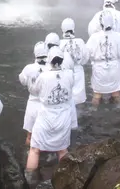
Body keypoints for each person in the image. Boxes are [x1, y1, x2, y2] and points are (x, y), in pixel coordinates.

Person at [25, 46, 75, 179]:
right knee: (62, 150)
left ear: (49, 60)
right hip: (63, 117)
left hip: (46, 117)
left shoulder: (44, 76)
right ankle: (66, 179)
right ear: (62, 60)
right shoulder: (69, 74)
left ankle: (30, 180)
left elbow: (34, 91)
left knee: (35, 150)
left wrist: (31, 79)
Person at [86, 10, 120, 106]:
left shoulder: (94, 37)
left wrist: (95, 59)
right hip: (114, 67)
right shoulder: (117, 35)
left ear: (100, 22)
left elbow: (87, 52)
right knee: (116, 93)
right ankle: (118, 109)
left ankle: (94, 111)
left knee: (97, 94)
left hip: (99, 68)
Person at [19, 42, 48, 145]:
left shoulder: (29, 68)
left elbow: (22, 81)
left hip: (32, 103)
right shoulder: (51, 68)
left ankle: (28, 155)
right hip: (46, 105)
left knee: (30, 135)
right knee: (46, 135)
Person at [59, 17, 89, 105]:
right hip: (78, 72)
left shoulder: (59, 43)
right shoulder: (80, 42)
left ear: (62, 29)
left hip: (64, 73)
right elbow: (85, 58)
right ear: (73, 28)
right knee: (79, 102)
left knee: (66, 101)